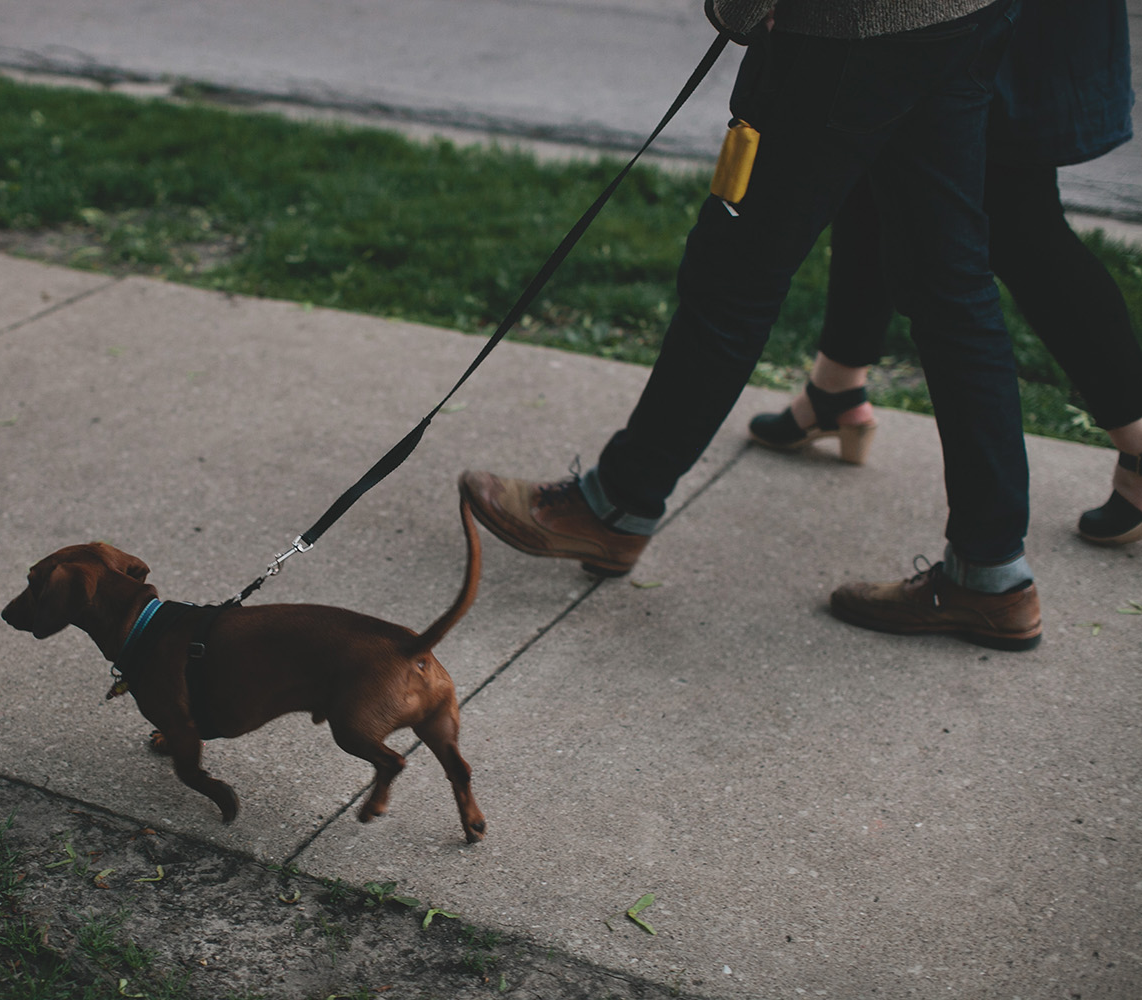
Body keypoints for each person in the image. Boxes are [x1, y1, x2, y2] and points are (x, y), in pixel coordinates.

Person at [459, 0, 1044, 651]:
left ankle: (616, 506)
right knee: (952, 283)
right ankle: (992, 575)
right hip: (964, 14)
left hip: (851, 28)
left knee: (734, 274)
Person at [749, 0, 1142, 548]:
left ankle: (1135, 444)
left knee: (1014, 213)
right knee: (880, 154)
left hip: (989, 17)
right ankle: (835, 386)